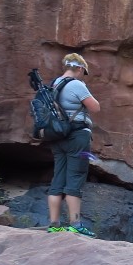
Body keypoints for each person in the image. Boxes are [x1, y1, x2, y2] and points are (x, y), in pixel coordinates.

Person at [46, 52, 101, 235]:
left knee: (58, 178)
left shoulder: (54, 84)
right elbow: (95, 107)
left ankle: (54, 224)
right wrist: (83, 88)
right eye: (82, 72)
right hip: (77, 136)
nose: (81, 75)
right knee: (75, 177)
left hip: (57, 136)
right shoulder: (77, 84)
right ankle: (75, 225)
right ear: (79, 68)